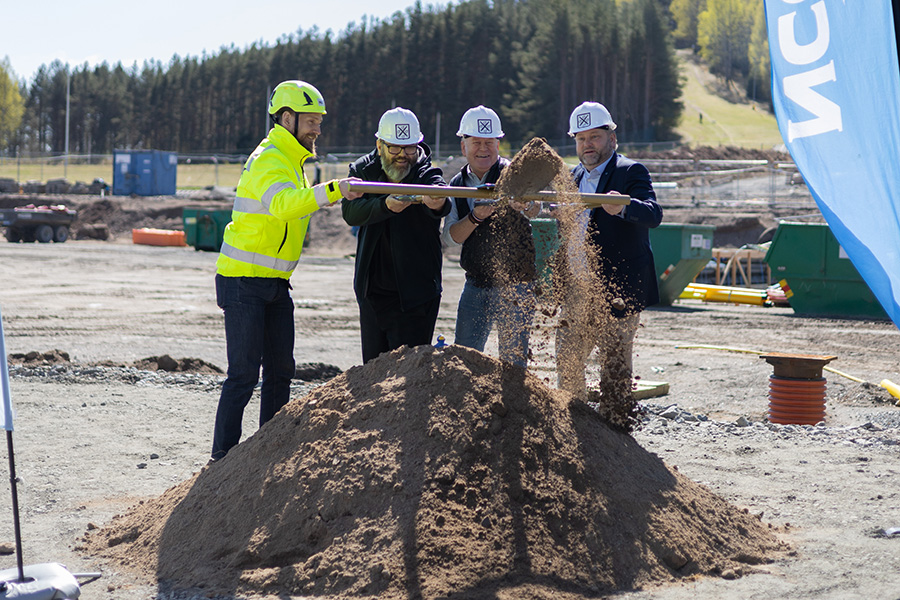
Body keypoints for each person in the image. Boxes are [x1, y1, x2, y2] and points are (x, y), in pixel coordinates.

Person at [210, 80, 363, 461]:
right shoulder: (268, 159)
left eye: (319, 122)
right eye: (311, 120)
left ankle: (268, 452)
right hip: (242, 282)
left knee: (280, 372)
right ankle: (221, 460)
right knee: (243, 375)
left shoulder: (294, 163)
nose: (317, 129)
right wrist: (333, 191)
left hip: (276, 284)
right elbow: (282, 206)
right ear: (287, 118)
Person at [556, 101, 663, 400]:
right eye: (581, 139)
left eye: (595, 137)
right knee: (567, 360)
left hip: (617, 290)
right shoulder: (572, 177)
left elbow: (653, 213)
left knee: (614, 367)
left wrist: (624, 208)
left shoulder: (630, 172)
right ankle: (575, 423)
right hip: (578, 289)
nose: (587, 144)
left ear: (612, 139)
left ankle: (615, 431)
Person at [342, 107, 450, 363]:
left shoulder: (424, 171)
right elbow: (351, 212)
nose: (402, 156)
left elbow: (440, 194)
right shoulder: (363, 172)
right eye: (395, 149)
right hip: (372, 293)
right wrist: (384, 206)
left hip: (414, 296)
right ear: (379, 145)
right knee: (372, 370)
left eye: (409, 148)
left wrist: (436, 202)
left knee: (407, 377)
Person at [441, 105, 540, 367]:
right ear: (464, 147)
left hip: (515, 284)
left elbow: (535, 207)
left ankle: (514, 407)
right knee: (465, 359)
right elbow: (450, 238)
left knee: (513, 362)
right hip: (476, 282)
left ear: (499, 144)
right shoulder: (457, 185)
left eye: (489, 142)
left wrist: (525, 205)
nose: (483, 149)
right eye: (476, 142)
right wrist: (476, 217)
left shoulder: (515, 175)